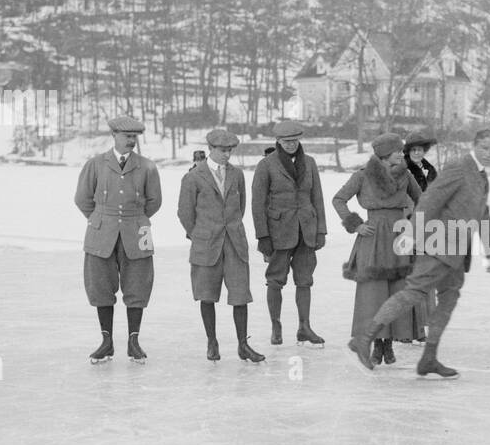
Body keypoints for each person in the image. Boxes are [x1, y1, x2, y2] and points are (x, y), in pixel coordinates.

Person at [348, 129, 490, 378]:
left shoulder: (482, 177)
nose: (488, 153)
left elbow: (482, 214)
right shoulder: (459, 167)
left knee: (448, 300)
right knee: (413, 292)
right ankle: (365, 339)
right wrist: (412, 234)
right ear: (474, 145)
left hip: (459, 251)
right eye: (484, 147)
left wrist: (489, 251)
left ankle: (429, 358)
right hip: (438, 245)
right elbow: (428, 201)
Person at [74, 115, 162, 363]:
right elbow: (82, 199)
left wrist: (134, 219)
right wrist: (102, 219)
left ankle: (134, 341)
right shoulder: (96, 164)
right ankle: (106, 342)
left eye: (134, 137)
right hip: (101, 233)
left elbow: (154, 201)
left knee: (138, 284)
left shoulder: (147, 167)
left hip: (137, 232)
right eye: (127, 136)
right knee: (100, 285)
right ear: (114, 136)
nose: (131, 141)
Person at [177, 128, 264, 364]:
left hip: (234, 243)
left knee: (240, 295)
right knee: (207, 295)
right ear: (211, 150)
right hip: (206, 244)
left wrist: (231, 228)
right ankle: (212, 341)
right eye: (223, 151)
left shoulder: (237, 175)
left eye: (230, 151)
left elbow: (241, 206)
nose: (227, 155)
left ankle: (243, 344)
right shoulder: (193, 177)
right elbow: (185, 212)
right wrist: (198, 234)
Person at [333, 132, 421, 365]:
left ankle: (388, 345)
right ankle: (376, 344)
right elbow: (339, 199)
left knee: (396, 290)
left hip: (399, 235)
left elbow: (423, 200)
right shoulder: (362, 176)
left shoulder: (406, 175)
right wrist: (356, 224)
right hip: (372, 237)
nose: (402, 155)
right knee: (373, 293)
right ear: (384, 155)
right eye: (398, 152)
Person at [251, 121, 327, 347]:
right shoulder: (266, 165)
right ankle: (276, 326)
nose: (291, 145)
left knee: (305, 281)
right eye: (286, 141)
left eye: (295, 140)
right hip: (278, 233)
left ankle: (304, 327)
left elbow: (318, 198)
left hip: (306, 231)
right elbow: (258, 203)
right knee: (275, 281)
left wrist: (321, 230)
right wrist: (262, 236)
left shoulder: (310, 163)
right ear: (278, 142)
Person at [403, 132, 439, 342]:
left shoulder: (431, 170)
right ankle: (410, 328)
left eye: (421, 150)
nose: (417, 153)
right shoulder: (404, 169)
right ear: (408, 151)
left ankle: (426, 324)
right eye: (414, 150)